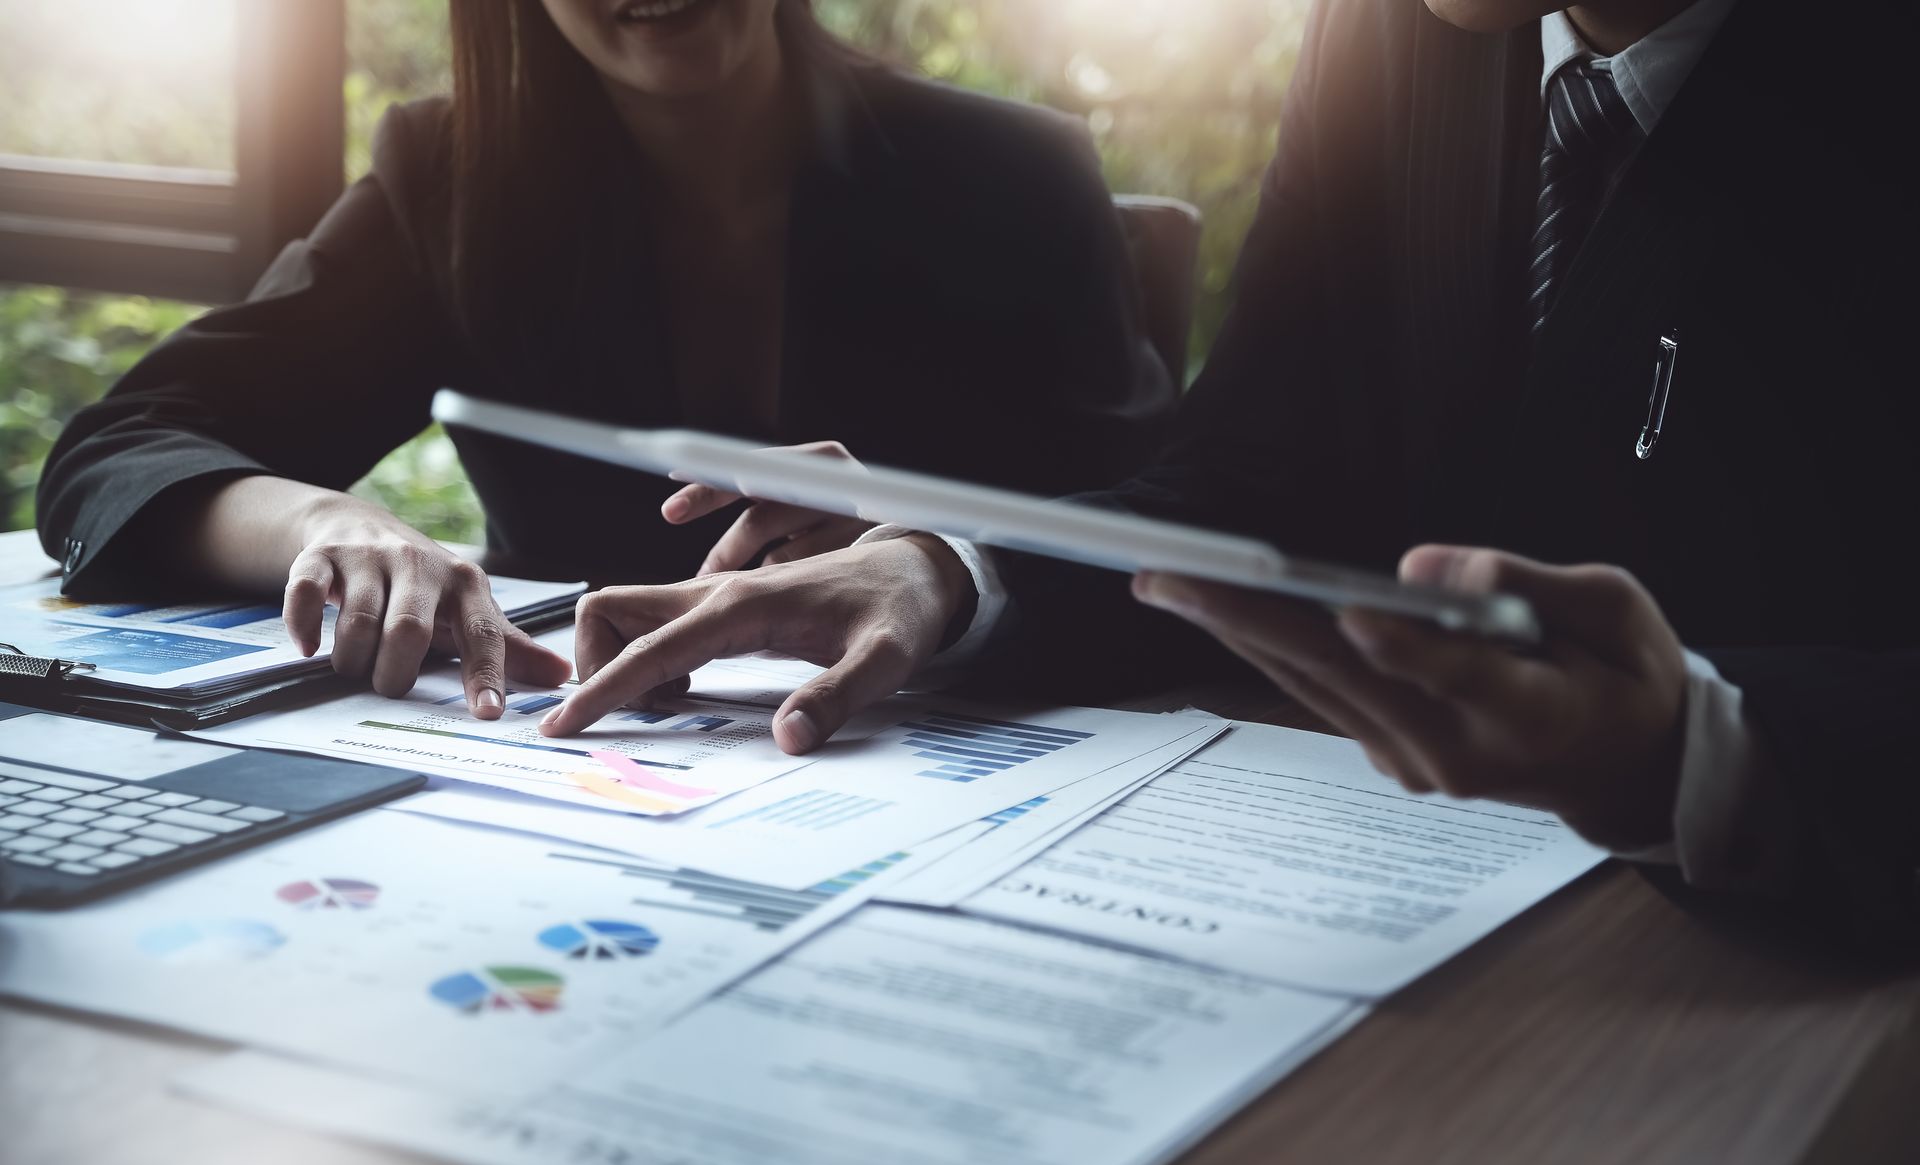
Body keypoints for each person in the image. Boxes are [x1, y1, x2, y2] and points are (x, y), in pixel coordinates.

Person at [537, 0, 1920, 941]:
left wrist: (1695, 753)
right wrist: (944, 567)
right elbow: (1260, 470)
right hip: (1415, 943)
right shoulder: (1407, 36)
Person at [35, 0, 1171, 718]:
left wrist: (941, 558)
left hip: (924, 772)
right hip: (555, 773)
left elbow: (1175, 546)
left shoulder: (1010, 177)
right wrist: (324, 526)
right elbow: (119, 450)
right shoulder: (451, 178)